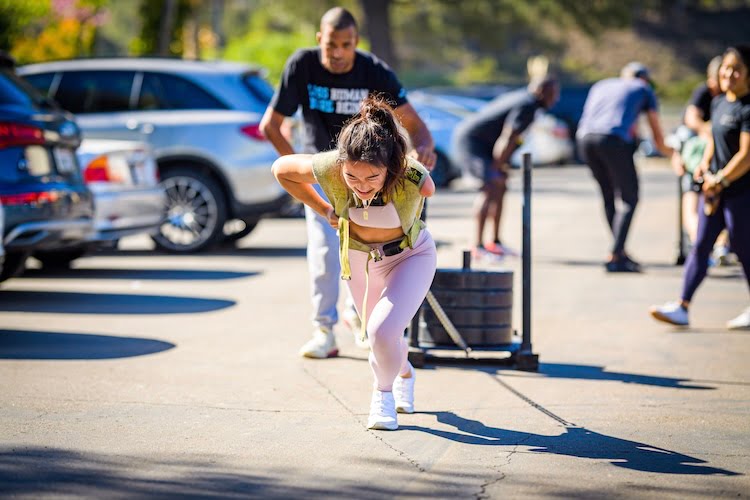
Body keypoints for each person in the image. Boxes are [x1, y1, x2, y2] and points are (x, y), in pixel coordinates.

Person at [260, 7, 435, 359]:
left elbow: (415, 126)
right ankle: (324, 330)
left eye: (347, 44)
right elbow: (271, 125)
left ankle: (364, 320)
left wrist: (421, 152)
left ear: (356, 42)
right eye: (331, 45)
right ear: (319, 40)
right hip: (327, 173)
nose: (338, 53)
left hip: (371, 176)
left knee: (374, 253)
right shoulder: (301, 65)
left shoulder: (373, 70)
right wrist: (313, 190)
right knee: (325, 254)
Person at [272, 96, 437, 430]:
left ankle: (383, 395)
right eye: (352, 177)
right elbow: (282, 170)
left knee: (380, 331)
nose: (361, 187)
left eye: (372, 178)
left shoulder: (411, 174)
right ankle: (404, 372)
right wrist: (323, 209)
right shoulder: (331, 166)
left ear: (390, 166)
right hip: (360, 259)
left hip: (410, 256)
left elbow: (429, 189)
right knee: (381, 334)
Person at [650, 45, 750, 330]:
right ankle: (682, 306)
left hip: (741, 192)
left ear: (748, 75)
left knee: (744, 248)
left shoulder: (747, 108)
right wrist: (705, 168)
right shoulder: (719, 103)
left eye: (737, 69)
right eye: (726, 68)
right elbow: (712, 142)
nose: (729, 74)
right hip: (715, 190)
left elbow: (746, 155)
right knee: (701, 245)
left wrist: (722, 179)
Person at [577, 62, 673, 272]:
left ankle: (618, 251)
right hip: (613, 140)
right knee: (630, 198)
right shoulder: (642, 88)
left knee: (608, 194)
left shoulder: (602, 85)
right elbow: (657, 135)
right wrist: (673, 154)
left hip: (585, 139)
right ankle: (615, 253)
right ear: (644, 78)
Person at [451, 76, 559, 260]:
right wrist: (496, 167)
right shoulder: (527, 105)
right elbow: (508, 137)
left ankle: (495, 243)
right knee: (491, 185)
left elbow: (512, 139)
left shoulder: (528, 101)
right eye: (553, 94)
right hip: (472, 142)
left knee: (501, 185)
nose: (555, 99)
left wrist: (501, 166)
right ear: (541, 91)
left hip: (486, 145)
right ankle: (477, 246)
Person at [669, 56, 723, 246]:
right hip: (695, 153)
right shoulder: (704, 92)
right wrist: (711, 132)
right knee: (692, 195)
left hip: (715, 155)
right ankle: (699, 241)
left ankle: (716, 243)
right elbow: (692, 120)